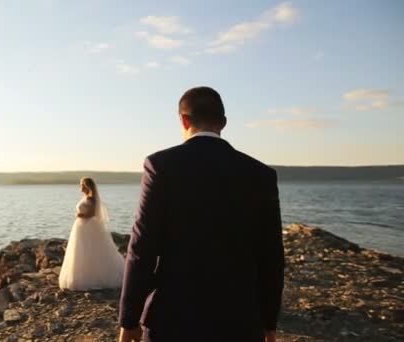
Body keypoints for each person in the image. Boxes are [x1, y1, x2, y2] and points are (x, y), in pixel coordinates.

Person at [119, 86, 285, 342]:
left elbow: (142, 247)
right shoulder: (261, 174)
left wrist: (129, 319)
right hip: (240, 320)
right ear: (224, 123)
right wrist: (269, 322)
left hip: (172, 318)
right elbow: (271, 256)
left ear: (183, 120)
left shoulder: (161, 166)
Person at [59, 177, 125, 290]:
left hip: (88, 226)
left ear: (87, 186)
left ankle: (92, 278)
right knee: (81, 251)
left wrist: (81, 216)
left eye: (82, 185)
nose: (80, 188)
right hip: (81, 227)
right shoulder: (86, 197)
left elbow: (93, 214)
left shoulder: (92, 198)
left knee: (91, 251)